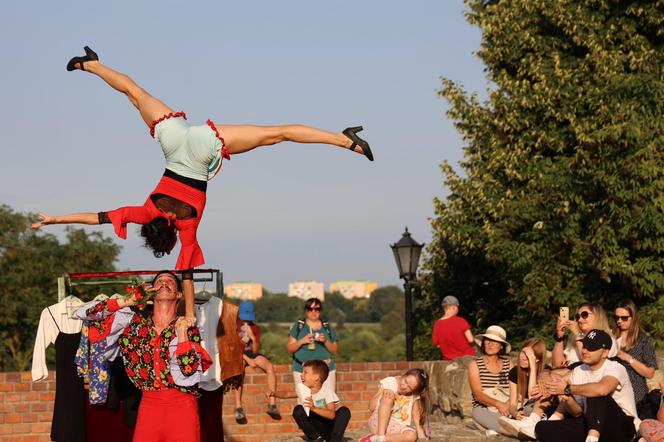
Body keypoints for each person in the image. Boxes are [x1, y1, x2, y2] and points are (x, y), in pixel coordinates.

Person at [31, 46, 374, 270]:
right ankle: (89, 64)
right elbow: (98, 216)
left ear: (172, 236)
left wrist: (183, 300)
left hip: (204, 148)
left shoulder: (188, 226)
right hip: (175, 139)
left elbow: (185, 270)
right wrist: (56, 219)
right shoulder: (146, 212)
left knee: (277, 133)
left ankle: (346, 142)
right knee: (135, 94)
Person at [76, 270, 212, 442]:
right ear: (151, 293)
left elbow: (189, 372)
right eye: (159, 281)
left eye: (170, 281)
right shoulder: (131, 324)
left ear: (178, 294)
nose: (164, 282)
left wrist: (183, 334)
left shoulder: (188, 327)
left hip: (183, 406)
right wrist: (127, 300)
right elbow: (83, 313)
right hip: (148, 407)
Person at [536, 329, 639, 442]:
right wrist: (568, 398)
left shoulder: (616, 367)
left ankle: (592, 439)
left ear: (605, 352)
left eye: (591, 348)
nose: (585, 350)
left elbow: (602, 390)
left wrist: (567, 389)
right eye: (585, 346)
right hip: (593, 424)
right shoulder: (579, 370)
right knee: (542, 428)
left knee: (595, 393)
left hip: (623, 426)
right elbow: (577, 412)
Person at [269, 359, 350, 442]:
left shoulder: (327, 392)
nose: (301, 375)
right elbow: (287, 394)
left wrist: (313, 408)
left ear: (316, 377)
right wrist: (274, 393)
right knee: (298, 409)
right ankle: (315, 438)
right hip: (315, 427)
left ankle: (335, 439)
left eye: (305, 372)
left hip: (328, 427)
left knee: (344, 411)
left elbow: (331, 415)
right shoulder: (304, 391)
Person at [233, 301, 281, 424]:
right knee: (239, 368)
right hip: (239, 354)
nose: (246, 320)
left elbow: (255, 351)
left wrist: (252, 337)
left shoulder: (255, 328)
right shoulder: (234, 325)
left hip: (251, 354)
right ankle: (238, 407)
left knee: (269, 366)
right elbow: (233, 348)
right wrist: (248, 360)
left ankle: (272, 404)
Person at [498, 337, 553, 439]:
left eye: (528, 356)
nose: (523, 358)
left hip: (542, 410)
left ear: (537, 359)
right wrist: (515, 413)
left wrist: (532, 366)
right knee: (502, 425)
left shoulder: (546, 371)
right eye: (523, 353)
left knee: (527, 410)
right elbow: (513, 403)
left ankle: (530, 432)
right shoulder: (515, 372)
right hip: (528, 409)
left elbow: (532, 396)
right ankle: (527, 432)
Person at [612, 299, 658, 419]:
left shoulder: (644, 341)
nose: (619, 321)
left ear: (633, 317)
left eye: (624, 318)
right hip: (614, 396)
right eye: (616, 317)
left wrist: (627, 357)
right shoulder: (610, 338)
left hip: (637, 398)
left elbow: (650, 373)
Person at [360, 368, 429, 442]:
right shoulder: (390, 382)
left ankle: (374, 439)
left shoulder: (414, 394)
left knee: (412, 435)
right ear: (404, 374)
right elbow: (371, 407)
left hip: (396, 426)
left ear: (414, 390)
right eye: (405, 381)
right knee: (389, 397)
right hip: (378, 422)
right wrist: (382, 393)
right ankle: (380, 436)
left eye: (409, 387)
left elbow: (416, 414)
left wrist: (420, 433)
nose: (404, 386)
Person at [467, 325, 514, 436]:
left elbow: (515, 389)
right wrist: (498, 405)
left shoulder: (509, 364)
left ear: (501, 346)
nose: (490, 344)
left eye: (495, 341)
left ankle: (495, 429)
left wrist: (507, 405)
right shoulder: (475, 365)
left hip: (507, 403)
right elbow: (477, 394)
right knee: (479, 413)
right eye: (487, 340)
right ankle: (514, 433)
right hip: (483, 407)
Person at [287, 298, 339, 392]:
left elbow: (335, 350)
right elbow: (290, 349)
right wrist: (302, 341)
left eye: (317, 309)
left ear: (320, 311)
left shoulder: (327, 327)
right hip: (302, 369)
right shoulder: (299, 326)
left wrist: (325, 341)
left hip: (325, 371)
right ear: (306, 311)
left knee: (327, 401)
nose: (313, 312)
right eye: (310, 309)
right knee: (304, 401)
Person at [552, 302, 618, 369]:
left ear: (597, 316)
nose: (580, 320)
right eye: (578, 317)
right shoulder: (575, 339)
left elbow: (588, 362)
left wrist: (578, 334)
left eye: (584, 315)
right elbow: (556, 365)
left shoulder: (607, 339)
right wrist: (560, 336)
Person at [431, 295, 476, 360]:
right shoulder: (461, 321)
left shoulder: (437, 324)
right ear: (454, 307)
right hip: (467, 358)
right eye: (457, 308)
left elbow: (438, 345)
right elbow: (471, 340)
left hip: (449, 361)